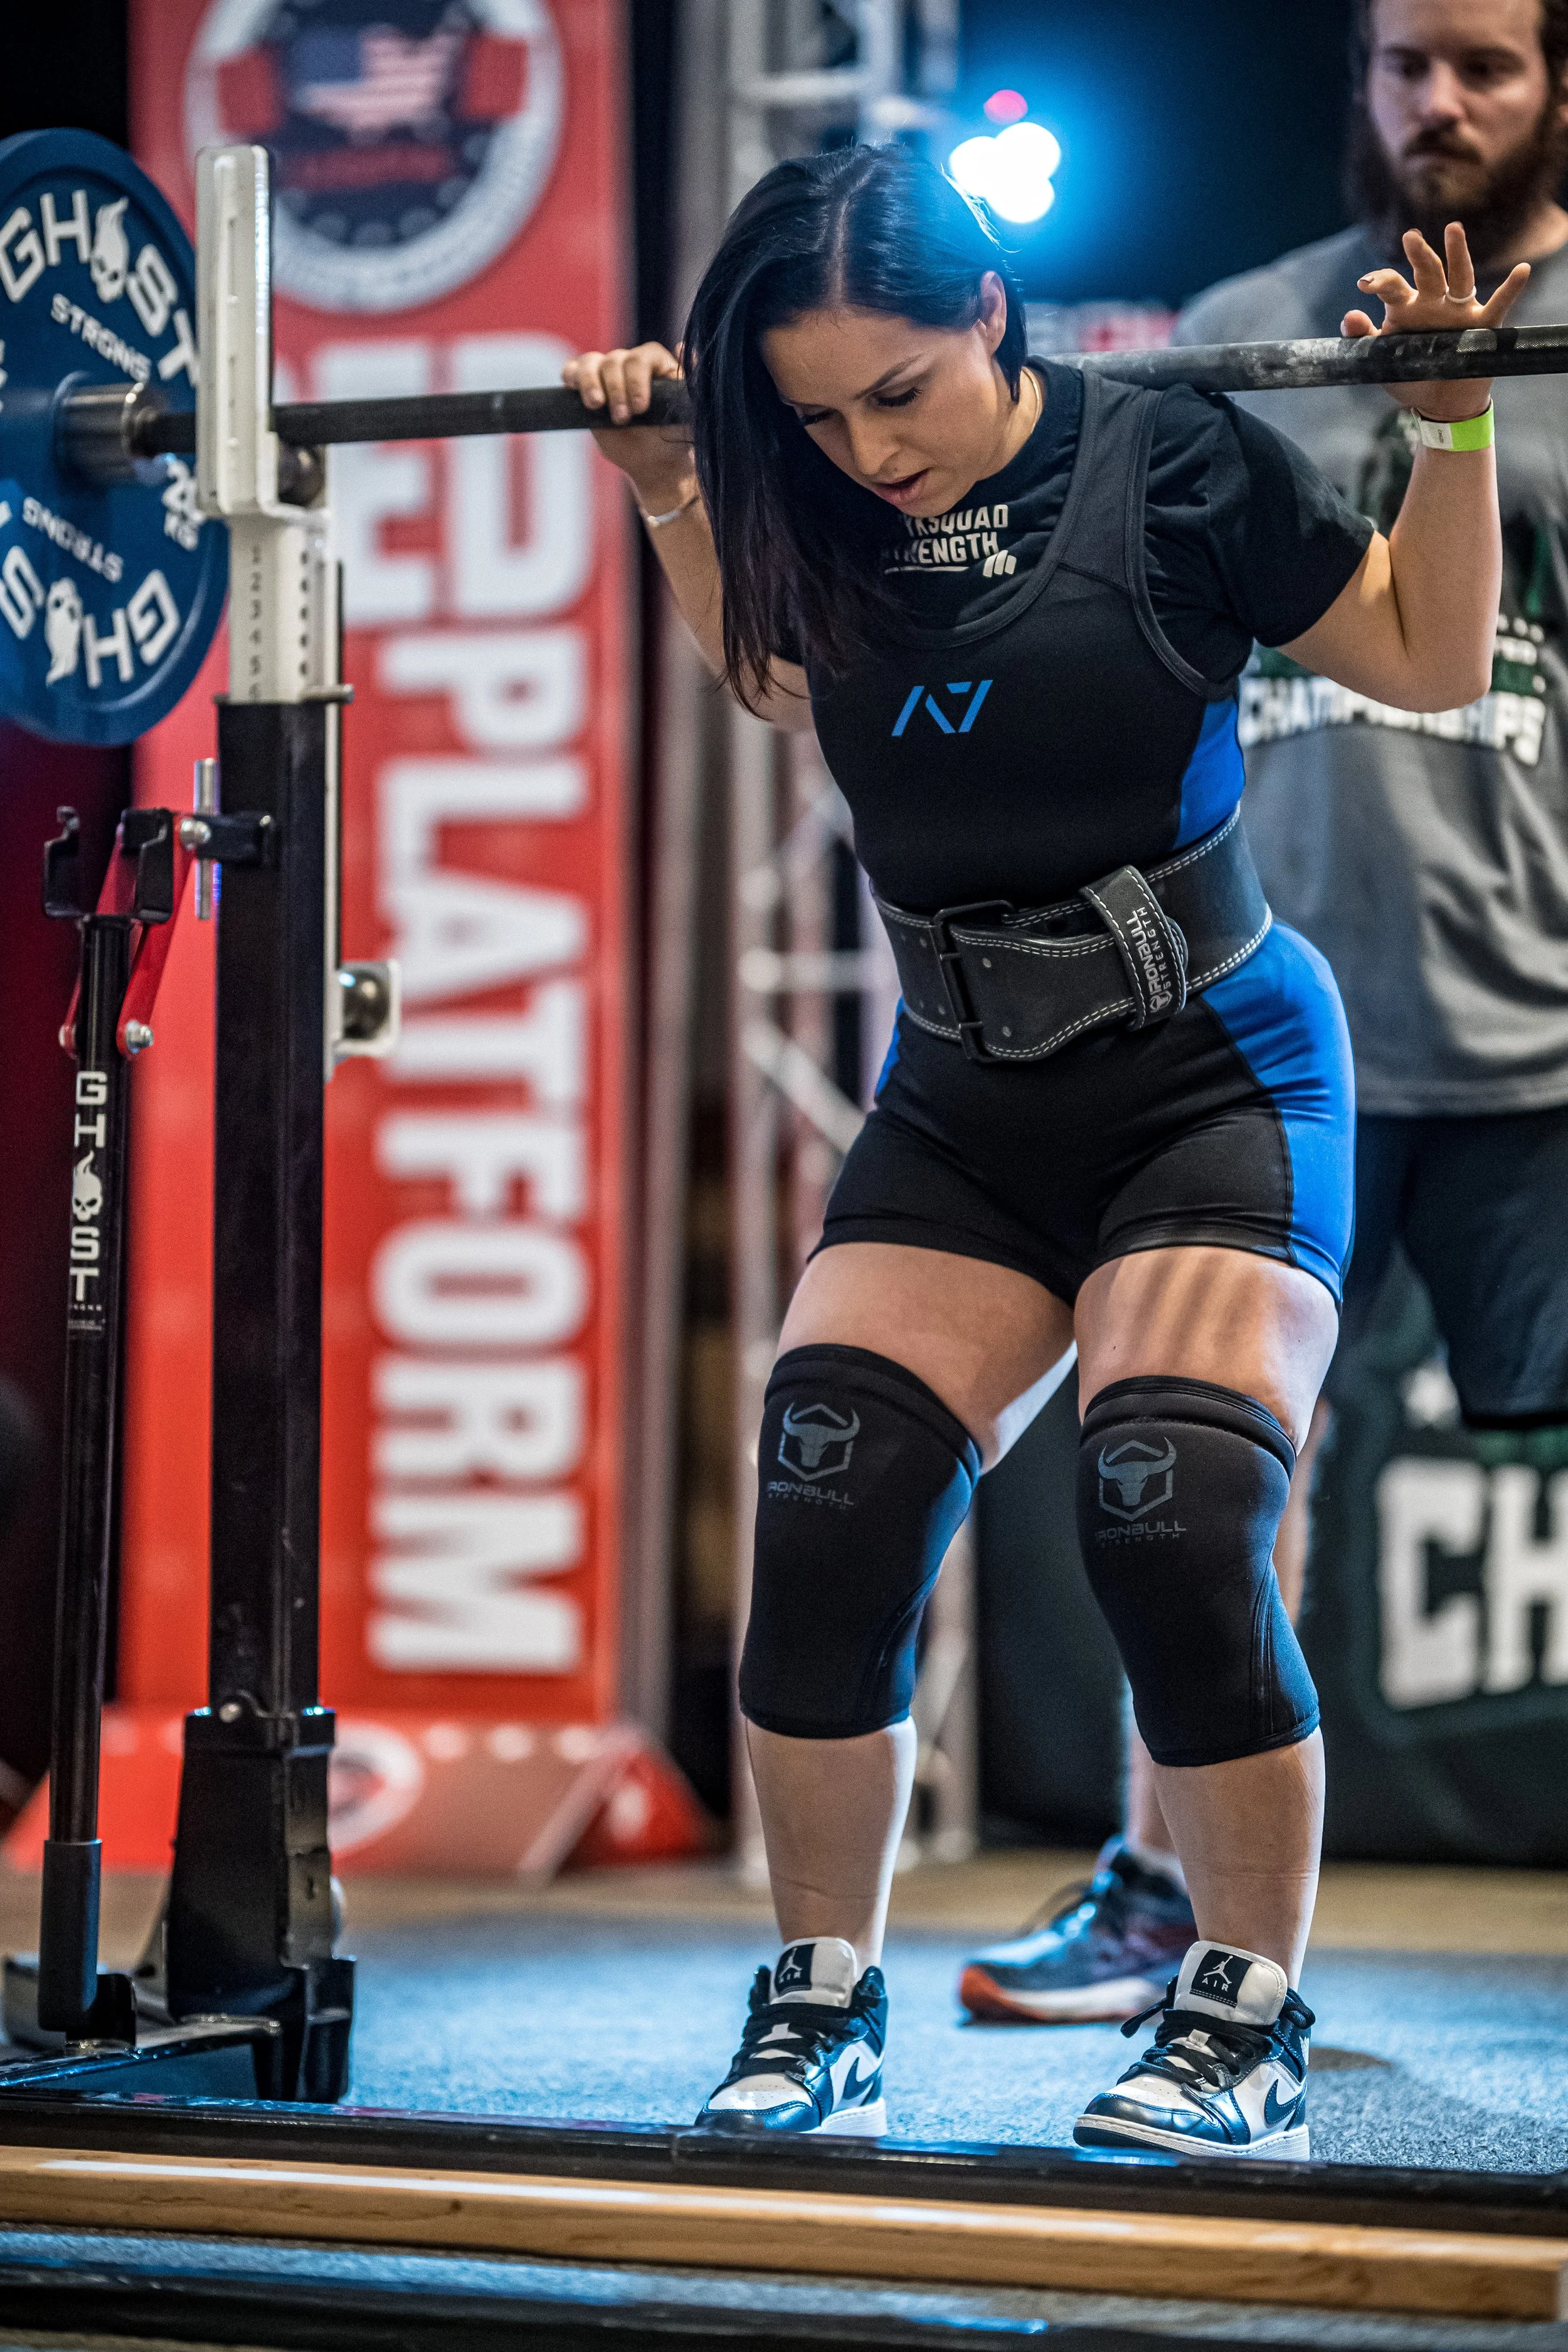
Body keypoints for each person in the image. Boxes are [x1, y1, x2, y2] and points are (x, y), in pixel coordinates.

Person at [566, 143, 1520, 2156]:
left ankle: (1236, 2009)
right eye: (815, 414)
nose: (863, 449)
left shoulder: (1171, 459)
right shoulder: (802, 480)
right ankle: (821, 1997)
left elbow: (1428, 661)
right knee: (823, 1501)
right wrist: (676, 479)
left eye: (896, 393)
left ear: (990, 314)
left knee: (1169, 1513)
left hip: (1212, 1079)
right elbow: (770, 667)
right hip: (962, 1102)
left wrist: (1443, 418)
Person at [959, 0, 1568, 2038]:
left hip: (1548, 1038)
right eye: (1406, 65)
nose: (1439, 103)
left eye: (1482, 63)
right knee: (1208, 1486)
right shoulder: (1243, 327)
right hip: (1275, 1035)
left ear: (1559, 81)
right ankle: (1158, 1892)